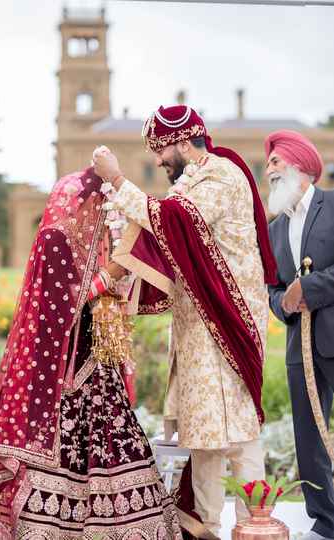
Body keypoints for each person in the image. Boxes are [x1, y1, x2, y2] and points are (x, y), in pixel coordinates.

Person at [92, 105, 277, 539]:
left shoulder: (222, 175)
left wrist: (119, 180)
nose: (157, 161)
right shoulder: (195, 179)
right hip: (200, 327)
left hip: (226, 325)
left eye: (160, 151)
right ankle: (205, 529)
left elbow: (176, 222)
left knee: (240, 433)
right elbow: (166, 231)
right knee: (205, 435)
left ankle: (258, 525)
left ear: (181, 140)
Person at [0, 166, 182, 540]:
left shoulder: (90, 238)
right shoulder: (57, 239)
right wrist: (111, 273)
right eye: (100, 203)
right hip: (64, 372)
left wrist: (119, 277)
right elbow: (63, 307)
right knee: (73, 445)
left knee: (113, 439)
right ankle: (52, 524)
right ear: (84, 200)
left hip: (95, 360)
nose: (104, 212)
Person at [266, 130, 334, 540]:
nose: (270, 170)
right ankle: (326, 522)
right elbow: (272, 289)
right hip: (300, 347)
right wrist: (284, 304)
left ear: (303, 169)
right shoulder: (274, 230)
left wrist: (308, 290)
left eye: (277, 163)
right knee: (308, 440)